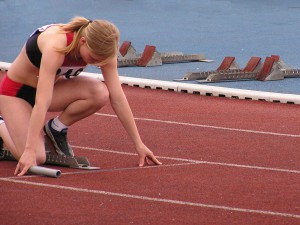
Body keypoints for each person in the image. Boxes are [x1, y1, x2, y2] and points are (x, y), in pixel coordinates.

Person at [0, 16, 162, 176]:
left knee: (99, 92)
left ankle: (56, 128)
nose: (97, 63)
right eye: (93, 59)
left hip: (49, 89)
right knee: (36, 157)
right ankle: (2, 123)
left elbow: (117, 97)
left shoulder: (104, 50)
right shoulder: (56, 46)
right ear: (83, 41)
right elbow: (42, 101)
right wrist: (28, 150)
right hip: (15, 93)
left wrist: (138, 144)